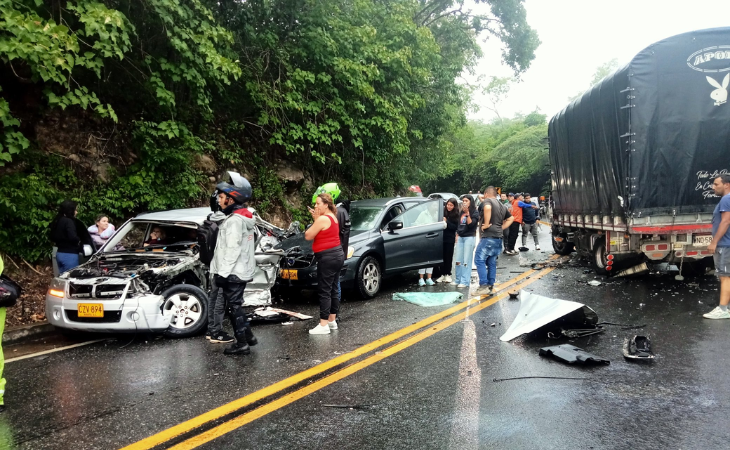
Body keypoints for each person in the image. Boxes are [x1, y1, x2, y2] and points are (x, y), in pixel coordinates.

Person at [210, 177, 258, 355]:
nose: (218, 200)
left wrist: (222, 274)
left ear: (231, 199)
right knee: (236, 305)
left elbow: (232, 249)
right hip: (239, 270)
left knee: (234, 308)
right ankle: (249, 336)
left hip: (233, 272)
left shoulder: (235, 221)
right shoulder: (239, 218)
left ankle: (242, 344)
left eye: (222, 197)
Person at [305, 193, 345, 334]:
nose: (315, 206)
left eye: (318, 203)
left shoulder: (322, 218)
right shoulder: (332, 217)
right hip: (337, 255)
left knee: (325, 290)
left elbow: (308, 235)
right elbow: (321, 232)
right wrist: (316, 219)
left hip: (328, 257)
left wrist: (315, 220)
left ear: (326, 204)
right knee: (333, 288)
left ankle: (323, 325)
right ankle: (331, 320)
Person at [312, 183, 350, 303]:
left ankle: (332, 315)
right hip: (337, 252)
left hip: (333, 253)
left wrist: (317, 221)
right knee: (333, 284)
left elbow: (328, 232)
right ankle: (333, 315)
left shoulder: (337, 213)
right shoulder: (341, 211)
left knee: (331, 287)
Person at [473, 187, 514, 296]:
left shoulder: (488, 201)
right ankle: (490, 285)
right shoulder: (501, 205)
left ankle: (483, 286)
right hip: (498, 237)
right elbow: (511, 218)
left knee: (479, 259)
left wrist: (486, 224)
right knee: (491, 262)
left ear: (486, 194)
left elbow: (487, 207)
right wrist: (501, 228)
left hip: (488, 236)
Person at [703, 174, 730, 319]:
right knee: (726, 276)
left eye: (716, 184)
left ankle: (723, 309)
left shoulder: (727, 199)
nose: (713, 187)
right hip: (726, 243)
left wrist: (714, 242)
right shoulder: (726, 199)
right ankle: (727, 306)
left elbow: (725, 222)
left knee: (725, 276)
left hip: (725, 244)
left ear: (726, 185)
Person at [205, 208, 233, 343]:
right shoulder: (225, 225)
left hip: (214, 266)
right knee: (220, 300)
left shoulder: (211, 222)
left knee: (214, 297)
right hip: (222, 268)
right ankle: (217, 332)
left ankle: (211, 330)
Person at [453, 195, 479, 288]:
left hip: (469, 237)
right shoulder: (461, 212)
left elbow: (471, 225)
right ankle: (458, 279)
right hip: (461, 236)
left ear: (470, 202)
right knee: (458, 259)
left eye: (466, 201)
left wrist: (467, 213)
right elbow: (459, 224)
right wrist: (457, 234)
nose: (464, 202)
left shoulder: (474, 212)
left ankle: (465, 281)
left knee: (466, 260)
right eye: (463, 200)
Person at [50, 200, 81, 273]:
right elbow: (72, 237)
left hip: (59, 253)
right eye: (75, 210)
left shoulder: (58, 220)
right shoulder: (69, 221)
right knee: (71, 279)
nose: (76, 212)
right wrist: (79, 240)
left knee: (62, 278)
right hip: (69, 255)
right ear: (70, 210)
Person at [414, 201, 440, 286]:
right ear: (429, 206)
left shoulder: (437, 215)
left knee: (431, 259)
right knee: (423, 259)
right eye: (433, 205)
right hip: (424, 238)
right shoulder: (423, 214)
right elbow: (416, 224)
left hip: (433, 238)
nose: (435, 207)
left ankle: (429, 278)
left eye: (436, 205)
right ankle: (421, 278)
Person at [435, 198, 459, 284]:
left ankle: (448, 274)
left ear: (454, 206)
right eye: (448, 205)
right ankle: (442, 274)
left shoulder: (456, 215)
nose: (449, 207)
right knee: (442, 256)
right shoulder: (443, 212)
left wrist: (447, 222)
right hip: (441, 237)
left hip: (450, 238)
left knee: (448, 256)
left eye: (451, 205)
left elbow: (455, 227)